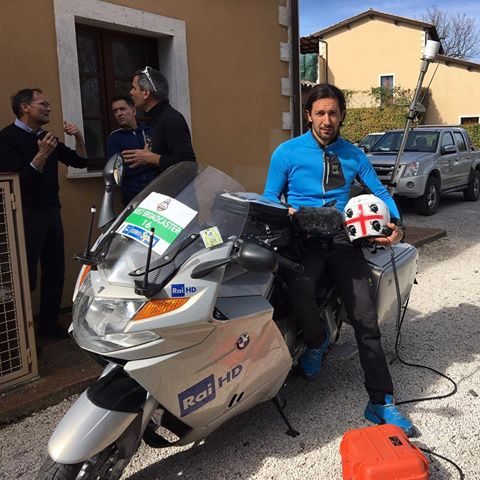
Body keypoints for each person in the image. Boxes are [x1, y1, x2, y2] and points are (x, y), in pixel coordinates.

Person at [263, 83, 414, 436]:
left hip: (343, 238)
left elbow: (378, 191)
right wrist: (281, 210)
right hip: (302, 239)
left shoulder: (353, 154)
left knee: (365, 317)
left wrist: (397, 225)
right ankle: (316, 342)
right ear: (308, 116)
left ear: (342, 114)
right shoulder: (286, 153)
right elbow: (270, 195)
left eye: (333, 113)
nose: (327, 120)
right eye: (320, 113)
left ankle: (381, 402)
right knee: (298, 293)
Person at [0, 88, 87, 338]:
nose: (48, 108)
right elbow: (15, 184)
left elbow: (80, 162)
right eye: (43, 104)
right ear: (25, 107)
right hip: (26, 216)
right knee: (26, 275)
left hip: (51, 212)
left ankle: (49, 324)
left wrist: (78, 137)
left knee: (55, 270)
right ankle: (21, 334)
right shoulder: (7, 138)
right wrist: (41, 156)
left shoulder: (47, 137)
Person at [126, 66, 195, 176]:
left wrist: (150, 158)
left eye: (134, 88)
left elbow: (188, 163)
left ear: (146, 93)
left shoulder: (170, 119)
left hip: (177, 192)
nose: (131, 92)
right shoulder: (157, 118)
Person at [106, 95, 155, 205]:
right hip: (132, 196)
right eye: (115, 111)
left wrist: (148, 160)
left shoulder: (149, 132)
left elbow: (161, 159)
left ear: (133, 110)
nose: (119, 113)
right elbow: (116, 170)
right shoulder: (115, 137)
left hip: (156, 191)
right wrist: (147, 161)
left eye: (122, 109)